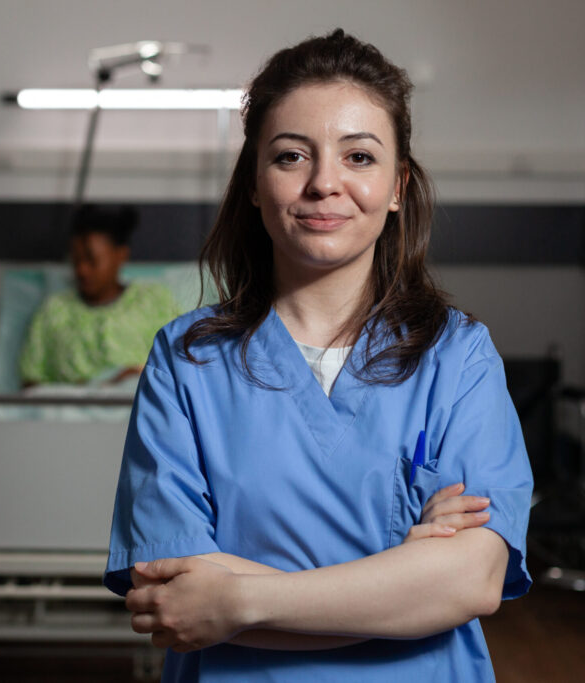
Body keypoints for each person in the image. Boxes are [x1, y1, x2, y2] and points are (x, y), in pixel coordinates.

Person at [104, 30, 533, 681]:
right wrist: (403, 581)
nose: (324, 183)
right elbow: (175, 601)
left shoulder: (458, 358)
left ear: (397, 187)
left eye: (359, 156)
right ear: (253, 181)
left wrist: (240, 597)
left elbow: (471, 580)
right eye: (290, 156)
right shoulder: (186, 362)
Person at [18, 204, 180, 386]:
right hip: (68, 410)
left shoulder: (154, 301)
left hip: (134, 403)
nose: (82, 270)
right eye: (76, 259)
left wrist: (132, 376)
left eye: (91, 260)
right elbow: (31, 385)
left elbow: (181, 368)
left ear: (121, 255)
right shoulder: (54, 310)